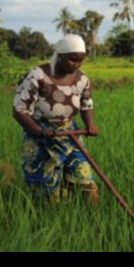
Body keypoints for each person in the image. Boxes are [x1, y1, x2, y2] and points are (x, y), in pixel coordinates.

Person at [13, 34, 100, 204]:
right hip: (41, 136)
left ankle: (97, 219)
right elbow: (19, 110)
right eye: (72, 60)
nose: (77, 64)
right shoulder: (37, 76)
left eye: (80, 60)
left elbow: (86, 104)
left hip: (71, 133)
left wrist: (90, 125)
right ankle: (46, 220)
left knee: (84, 177)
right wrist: (39, 130)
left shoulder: (82, 78)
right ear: (60, 55)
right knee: (45, 186)